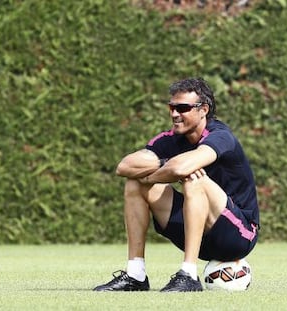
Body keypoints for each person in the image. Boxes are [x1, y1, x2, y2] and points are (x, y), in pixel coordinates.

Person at [93, 77, 259, 292]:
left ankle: (188, 275)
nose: (174, 114)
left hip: (237, 235)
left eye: (182, 108)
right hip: (200, 236)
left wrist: (152, 175)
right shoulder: (170, 139)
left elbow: (182, 168)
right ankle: (136, 275)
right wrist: (162, 165)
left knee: (193, 178)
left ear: (204, 110)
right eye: (171, 107)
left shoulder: (220, 136)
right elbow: (125, 166)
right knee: (134, 182)